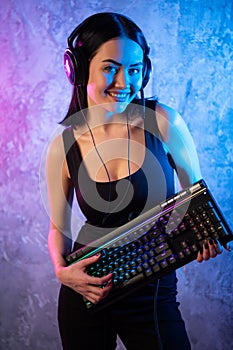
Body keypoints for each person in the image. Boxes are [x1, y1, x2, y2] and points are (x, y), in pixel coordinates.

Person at [46, 12, 228, 350]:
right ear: (79, 68)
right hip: (85, 290)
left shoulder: (164, 123)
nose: (124, 82)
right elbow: (59, 229)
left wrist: (203, 234)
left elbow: (197, 201)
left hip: (152, 292)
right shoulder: (63, 145)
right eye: (110, 67)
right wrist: (61, 270)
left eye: (134, 69)